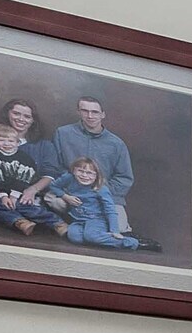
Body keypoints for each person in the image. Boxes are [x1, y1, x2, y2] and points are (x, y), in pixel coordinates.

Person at [48, 96, 135, 238]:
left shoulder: (116, 144)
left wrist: (100, 191)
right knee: (53, 200)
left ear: (103, 114)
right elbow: (55, 166)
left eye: (95, 112)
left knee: (119, 226)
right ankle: (76, 224)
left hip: (103, 196)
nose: (90, 116)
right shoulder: (63, 133)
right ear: (78, 112)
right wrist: (70, 190)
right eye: (85, 111)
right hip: (72, 193)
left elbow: (124, 178)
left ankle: (89, 228)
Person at [0, 122, 61, 232]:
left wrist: (13, 196)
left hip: (21, 190)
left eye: (11, 141)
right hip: (1, 190)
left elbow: (22, 180)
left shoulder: (24, 158)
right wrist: (3, 196)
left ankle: (55, 222)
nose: (6, 144)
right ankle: (20, 221)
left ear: (18, 143)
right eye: (1, 140)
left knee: (22, 205)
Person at [56, 153, 140, 249]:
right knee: (74, 237)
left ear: (96, 175)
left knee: (91, 236)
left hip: (96, 219)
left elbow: (110, 209)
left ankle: (129, 242)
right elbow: (54, 186)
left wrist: (115, 231)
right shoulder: (69, 179)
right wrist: (65, 196)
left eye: (89, 173)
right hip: (79, 220)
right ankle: (99, 239)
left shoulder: (101, 189)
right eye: (80, 171)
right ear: (73, 171)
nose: (84, 175)